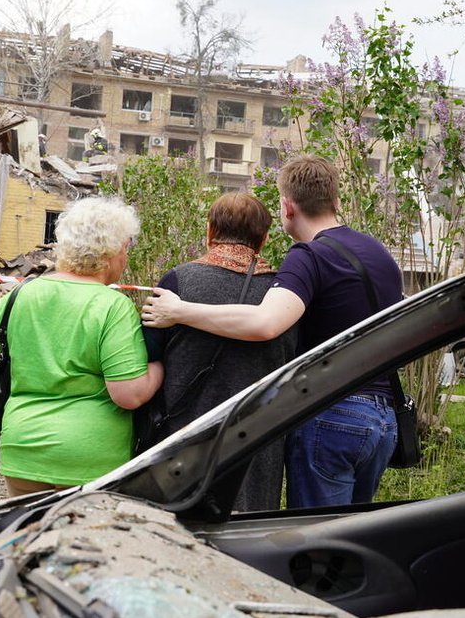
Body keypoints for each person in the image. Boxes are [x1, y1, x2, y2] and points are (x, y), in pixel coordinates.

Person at [142, 154, 404, 508]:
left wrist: (180, 310)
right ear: (336, 201)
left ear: (287, 207)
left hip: (332, 415)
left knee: (315, 542)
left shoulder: (308, 255)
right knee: (349, 535)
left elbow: (266, 323)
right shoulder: (379, 253)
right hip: (384, 418)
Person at [0, 196, 163, 497]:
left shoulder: (21, 293)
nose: (126, 257)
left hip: (21, 446)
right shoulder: (112, 306)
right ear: (110, 251)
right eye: (126, 248)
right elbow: (128, 394)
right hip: (88, 455)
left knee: (28, 538)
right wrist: (158, 368)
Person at [142, 192, 297, 511]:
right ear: (264, 239)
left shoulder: (178, 281)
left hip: (186, 439)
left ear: (210, 232)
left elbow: (148, 354)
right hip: (259, 441)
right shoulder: (285, 295)